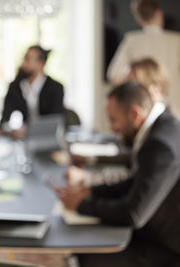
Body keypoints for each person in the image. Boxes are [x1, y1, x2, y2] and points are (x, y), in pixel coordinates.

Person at [59, 82, 180, 266]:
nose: (112, 128)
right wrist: (92, 191)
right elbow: (135, 181)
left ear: (135, 114)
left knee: (87, 254)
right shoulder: (163, 125)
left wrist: (81, 204)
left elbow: (133, 214)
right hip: (156, 233)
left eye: (114, 120)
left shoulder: (160, 145)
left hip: (164, 248)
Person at [67, 57, 171, 187]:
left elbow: (135, 179)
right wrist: (90, 159)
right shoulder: (151, 123)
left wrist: (87, 178)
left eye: (134, 85)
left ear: (155, 88)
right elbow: (132, 158)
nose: (128, 92)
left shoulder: (164, 131)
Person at [107, 0, 180, 110]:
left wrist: (135, 82)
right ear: (159, 13)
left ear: (139, 19)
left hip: (143, 108)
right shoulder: (176, 41)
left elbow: (114, 76)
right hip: (175, 108)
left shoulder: (132, 41)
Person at [0, 45, 64, 139]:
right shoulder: (15, 87)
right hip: (21, 140)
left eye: (28, 59)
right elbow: (4, 120)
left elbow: (55, 121)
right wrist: (10, 130)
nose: (23, 63)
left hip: (48, 139)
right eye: (24, 58)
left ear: (41, 64)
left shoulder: (55, 88)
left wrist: (30, 130)